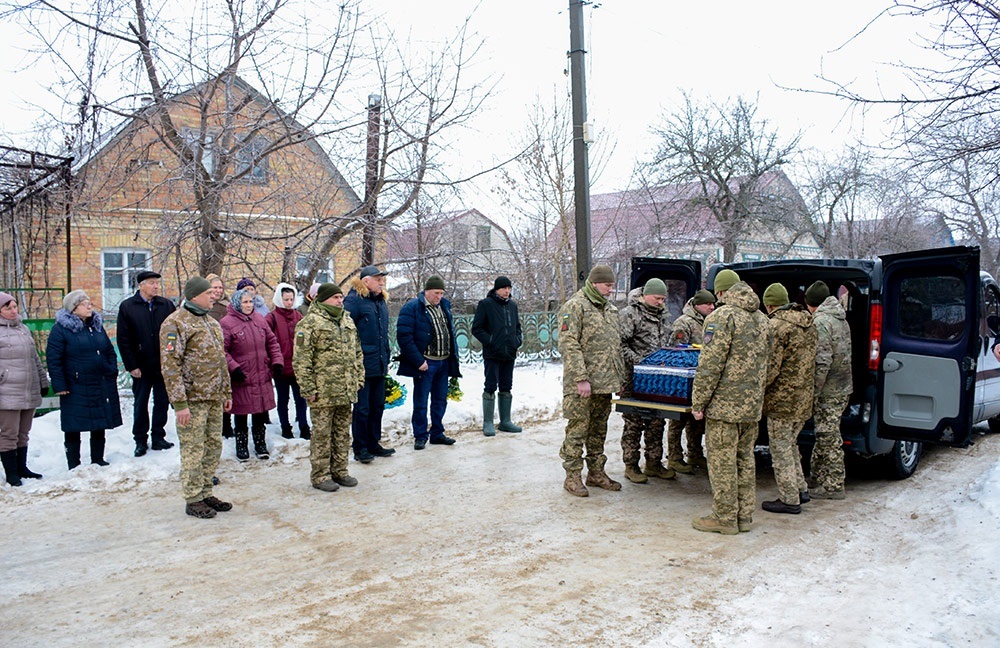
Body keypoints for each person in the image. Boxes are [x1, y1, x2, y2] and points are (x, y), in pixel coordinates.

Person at [690, 270, 770, 534]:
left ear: (721, 291)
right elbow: (768, 363)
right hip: (751, 406)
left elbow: (710, 365)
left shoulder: (721, 317)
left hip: (724, 407)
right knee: (745, 460)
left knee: (722, 462)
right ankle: (744, 516)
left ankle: (724, 518)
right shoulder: (762, 318)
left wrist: (698, 402)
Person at [159, 276, 233, 519]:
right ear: (194, 296)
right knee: (193, 449)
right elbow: (170, 366)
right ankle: (193, 498)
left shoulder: (211, 322)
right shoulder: (175, 323)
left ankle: (205, 491)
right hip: (192, 401)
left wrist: (226, 392)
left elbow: (221, 361)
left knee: (213, 447)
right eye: (208, 293)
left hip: (213, 398)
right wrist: (180, 404)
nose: (213, 296)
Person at [558, 264, 627, 497]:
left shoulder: (611, 310)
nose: (611, 289)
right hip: (581, 385)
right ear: (595, 283)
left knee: (598, 430)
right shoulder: (575, 306)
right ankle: (572, 477)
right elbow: (568, 344)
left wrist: (619, 378)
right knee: (577, 429)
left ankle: (596, 473)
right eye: (607, 285)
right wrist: (580, 378)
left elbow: (615, 347)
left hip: (604, 384)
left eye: (612, 285)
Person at [293, 283, 364, 492]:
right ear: (322, 299)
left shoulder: (346, 320)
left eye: (341, 297)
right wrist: (308, 388)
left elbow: (357, 352)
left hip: (345, 389)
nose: (340, 301)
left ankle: (340, 471)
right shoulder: (310, 323)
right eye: (335, 297)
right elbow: (301, 359)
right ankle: (320, 475)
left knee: (342, 433)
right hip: (322, 392)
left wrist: (359, 378)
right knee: (322, 435)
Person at [46, 290, 123, 469]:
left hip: (99, 381)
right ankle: (74, 464)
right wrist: (59, 384)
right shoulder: (61, 329)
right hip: (75, 385)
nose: (89, 306)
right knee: (73, 424)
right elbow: (54, 359)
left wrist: (111, 370)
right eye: (83, 304)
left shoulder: (95, 326)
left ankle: (98, 459)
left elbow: (109, 351)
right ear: (73, 309)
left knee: (99, 421)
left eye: (89, 302)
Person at [760, 283, 817, 515]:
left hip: (781, 401)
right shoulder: (808, 322)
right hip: (803, 397)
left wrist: (756, 388)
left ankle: (789, 499)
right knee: (791, 444)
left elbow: (771, 368)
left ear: (769, 305)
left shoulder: (776, 326)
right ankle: (800, 489)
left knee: (780, 449)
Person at [618, 278, 674, 483]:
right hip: (634, 380)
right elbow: (619, 345)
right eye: (657, 298)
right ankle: (631, 465)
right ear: (645, 295)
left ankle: (653, 463)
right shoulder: (630, 314)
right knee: (633, 424)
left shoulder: (664, 317)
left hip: (658, 382)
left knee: (657, 422)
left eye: (663, 299)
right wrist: (640, 362)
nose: (660, 302)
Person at [396, 275, 462, 450]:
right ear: (426, 291)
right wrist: (419, 361)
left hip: (443, 362)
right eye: (436, 293)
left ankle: (437, 433)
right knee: (421, 402)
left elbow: (450, 332)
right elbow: (404, 337)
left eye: (441, 293)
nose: (439, 296)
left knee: (440, 400)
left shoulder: (444, 307)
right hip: (426, 363)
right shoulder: (413, 308)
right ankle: (420, 435)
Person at [117, 269, 176, 457]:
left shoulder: (166, 305)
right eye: (152, 283)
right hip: (141, 366)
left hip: (163, 365)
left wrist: (170, 355)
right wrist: (131, 365)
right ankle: (140, 440)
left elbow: (173, 332)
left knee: (162, 402)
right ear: (141, 285)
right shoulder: (128, 307)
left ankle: (158, 437)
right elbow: (123, 339)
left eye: (157, 283)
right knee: (141, 403)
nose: (156, 286)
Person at [221, 288, 283, 461]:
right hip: (242, 375)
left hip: (261, 373)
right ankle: (241, 445)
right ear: (237, 304)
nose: (249, 305)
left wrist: (277, 362)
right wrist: (234, 368)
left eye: (250, 302)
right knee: (241, 412)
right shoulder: (227, 323)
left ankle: (260, 444)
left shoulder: (259, 319)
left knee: (259, 411)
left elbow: (272, 342)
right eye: (245, 302)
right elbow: (222, 350)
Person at [805, 280, 853, 500]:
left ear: (811, 303)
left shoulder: (821, 322)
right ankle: (816, 478)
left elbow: (822, 361)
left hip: (828, 390)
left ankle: (834, 486)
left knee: (828, 437)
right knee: (824, 433)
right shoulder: (840, 318)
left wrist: (813, 391)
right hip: (842, 386)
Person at [344, 265, 394, 462]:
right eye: (378, 279)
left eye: (382, 279)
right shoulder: (354, 301)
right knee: (362, 408)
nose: (382, 283)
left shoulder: (380, 302)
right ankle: (360, 447)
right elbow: (346, 333)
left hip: (379, 362)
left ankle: (374, 443)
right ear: (366, 281)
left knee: (377, 406)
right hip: (362, 364)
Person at [0, 291, 49, 486]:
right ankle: (11, 474)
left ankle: (22, 468)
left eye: (15, 307)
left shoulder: (23, 328)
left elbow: (34, 357)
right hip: (7, 391)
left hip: (28, 389)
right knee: (9, 434)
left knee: (23, 433)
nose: (14, 311)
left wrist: (43, 381)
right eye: (8, 308)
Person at [665, 289, 716, 473]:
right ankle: (674, 457)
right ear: (697, 305)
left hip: (700, 378)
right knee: (677, 421)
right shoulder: (684, 323)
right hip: (683, 379)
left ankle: (694, 453)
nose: (712, 307)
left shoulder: (710, 321)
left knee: (697, 421)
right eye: (708, 304)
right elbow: (676, 350)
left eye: (713, 304)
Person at [471, 275, 523, 437]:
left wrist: (517, 341)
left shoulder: (512, 306)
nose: (507, 291)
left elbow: (518, 327)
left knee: (506, 385)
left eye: (509, 288)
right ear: (496, 289)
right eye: (503, 288)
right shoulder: (486, 304)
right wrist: (491, 341)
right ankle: (488, 422)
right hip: (492, 353)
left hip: (509, 353)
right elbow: (477, 328)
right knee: (490, 386)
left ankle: (505, 421)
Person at [266, 282, 310, 440]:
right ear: (279, 299)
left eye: (291, 299)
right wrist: (273, 362)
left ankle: (304, 426)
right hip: (281, 366)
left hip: (297, 365)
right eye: (286, 299)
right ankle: (285, 426)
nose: (289, 303)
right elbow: (267, 341)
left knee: (301, 398)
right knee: (283, 398)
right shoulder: (271, 318)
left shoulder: (298, 316)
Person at [206, 273, 233, 440]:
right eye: (214, 287)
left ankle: (226, 424)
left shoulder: (228, 306)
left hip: (225, 352)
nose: (218, 290)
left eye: (220, 287)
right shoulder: (202, 306)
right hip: (206, 355)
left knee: (225, 390)